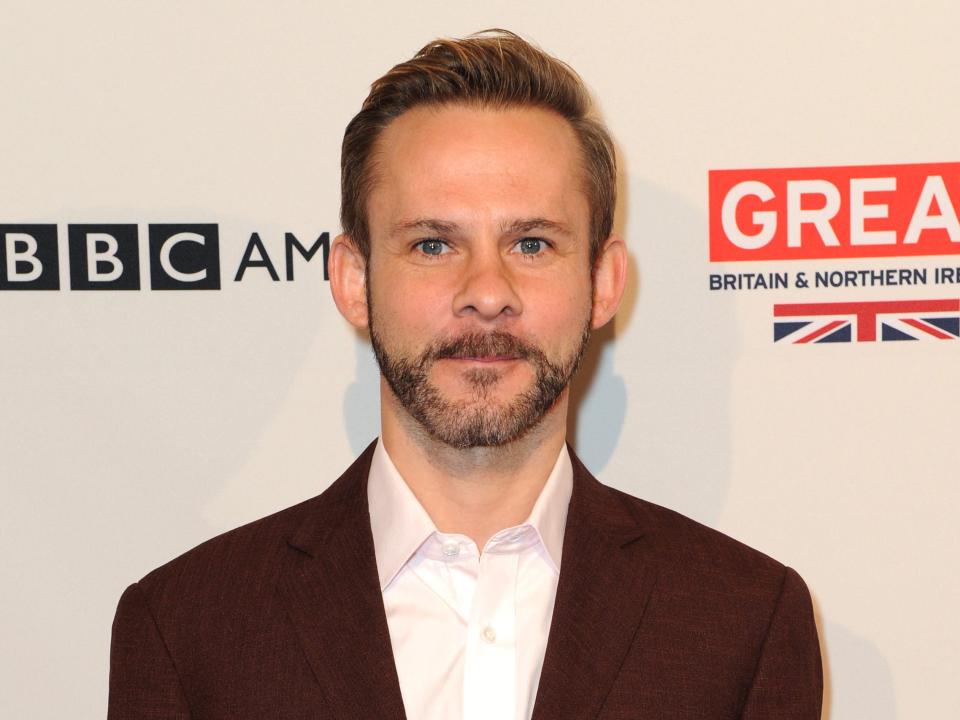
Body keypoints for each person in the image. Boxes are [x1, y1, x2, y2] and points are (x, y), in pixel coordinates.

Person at [108, 29, 822, 719]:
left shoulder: (743, 624)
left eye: (533, 243)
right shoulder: (186, 630)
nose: (487, 289)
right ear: (354, 281)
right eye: (432, 244)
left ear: (603, 283)